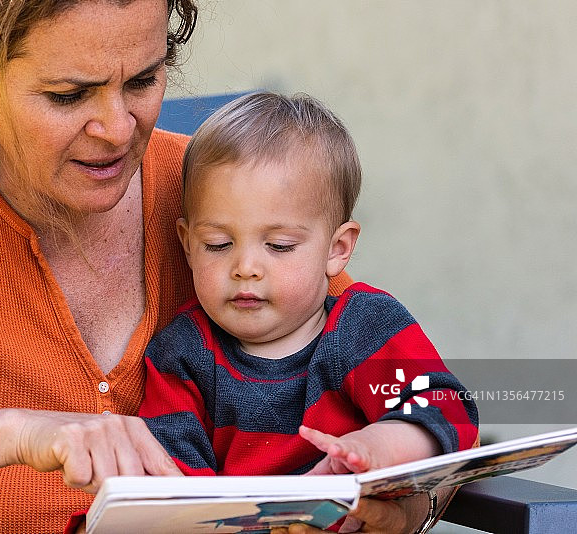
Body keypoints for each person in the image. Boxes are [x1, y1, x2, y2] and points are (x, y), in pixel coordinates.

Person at [0, 1, 459, 533]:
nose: (117, 128)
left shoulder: (218, 201)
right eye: (70, 95)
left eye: (142, 80)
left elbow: (425, 399)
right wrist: (17, 433)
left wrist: (412, 503)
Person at [138, 92, 479, 532]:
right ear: (187, 244)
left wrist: (379, 447)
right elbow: (173, 480)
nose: (245, 268)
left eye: (279, 246)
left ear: (337, 250)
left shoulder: (364, 326)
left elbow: (448, 409)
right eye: (218, 245)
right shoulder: (183, 353)